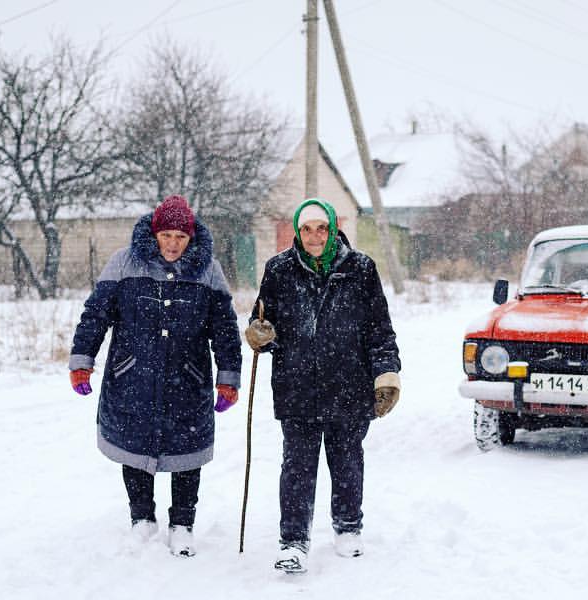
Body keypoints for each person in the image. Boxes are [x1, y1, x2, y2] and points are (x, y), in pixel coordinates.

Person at [69, 195, 242, 557]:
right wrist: (82, 360)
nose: (173, 244)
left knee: (187, 450)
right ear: (154, 233)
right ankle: (142, 519)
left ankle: (182, 524)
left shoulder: (208, 269)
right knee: (134, 445)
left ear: (191, 237)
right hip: (133, 376)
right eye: (167, 235)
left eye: (181, 237)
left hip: (188, 377)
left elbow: (225, 327)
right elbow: (96, 314)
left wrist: (228, 376)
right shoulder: (124, 263)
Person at [244, 197, 401, 574]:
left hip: (350, 383)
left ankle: (348, 527)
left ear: (332, 229)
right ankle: (293, 541)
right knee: (297, 466)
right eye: (307, 229)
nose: (315, 236)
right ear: (298, 231)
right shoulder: (279, 269)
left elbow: (379, 329)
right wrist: (260, 335)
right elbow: (263, 322)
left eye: (322, 228)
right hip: (297, 386)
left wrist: (387, 373)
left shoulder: (360, 268)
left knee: (347, 460)